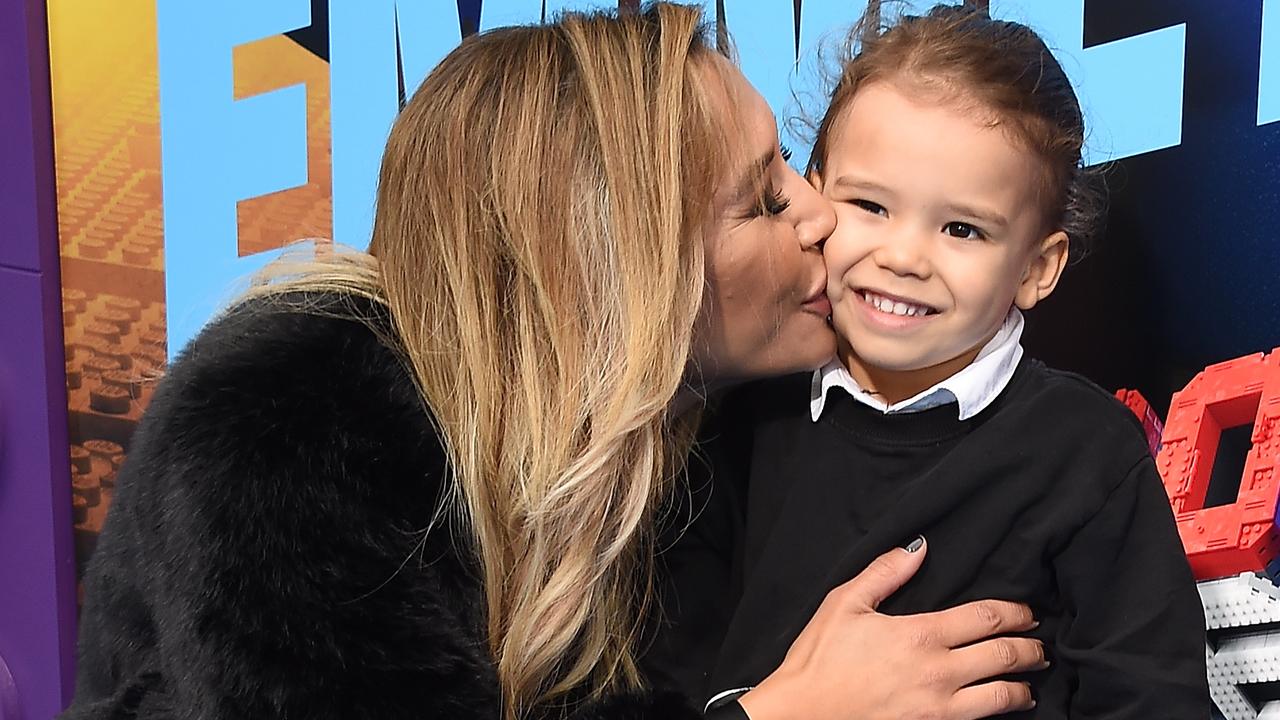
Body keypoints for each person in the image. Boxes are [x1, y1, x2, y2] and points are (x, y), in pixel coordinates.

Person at [60, 5, 1049, 720]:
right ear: (618, 268)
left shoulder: (701, 431)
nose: (823, 216)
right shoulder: (285, 424)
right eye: (761, 200)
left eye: (791, 164)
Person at [658, 5, 1209, 718]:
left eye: (960, 228)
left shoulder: (1086, 451)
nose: (902, 258)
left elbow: (1151, 697)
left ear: (1037, 268)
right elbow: (672, 681)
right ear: (816, 194)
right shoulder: (744, 418)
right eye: (870, 205)